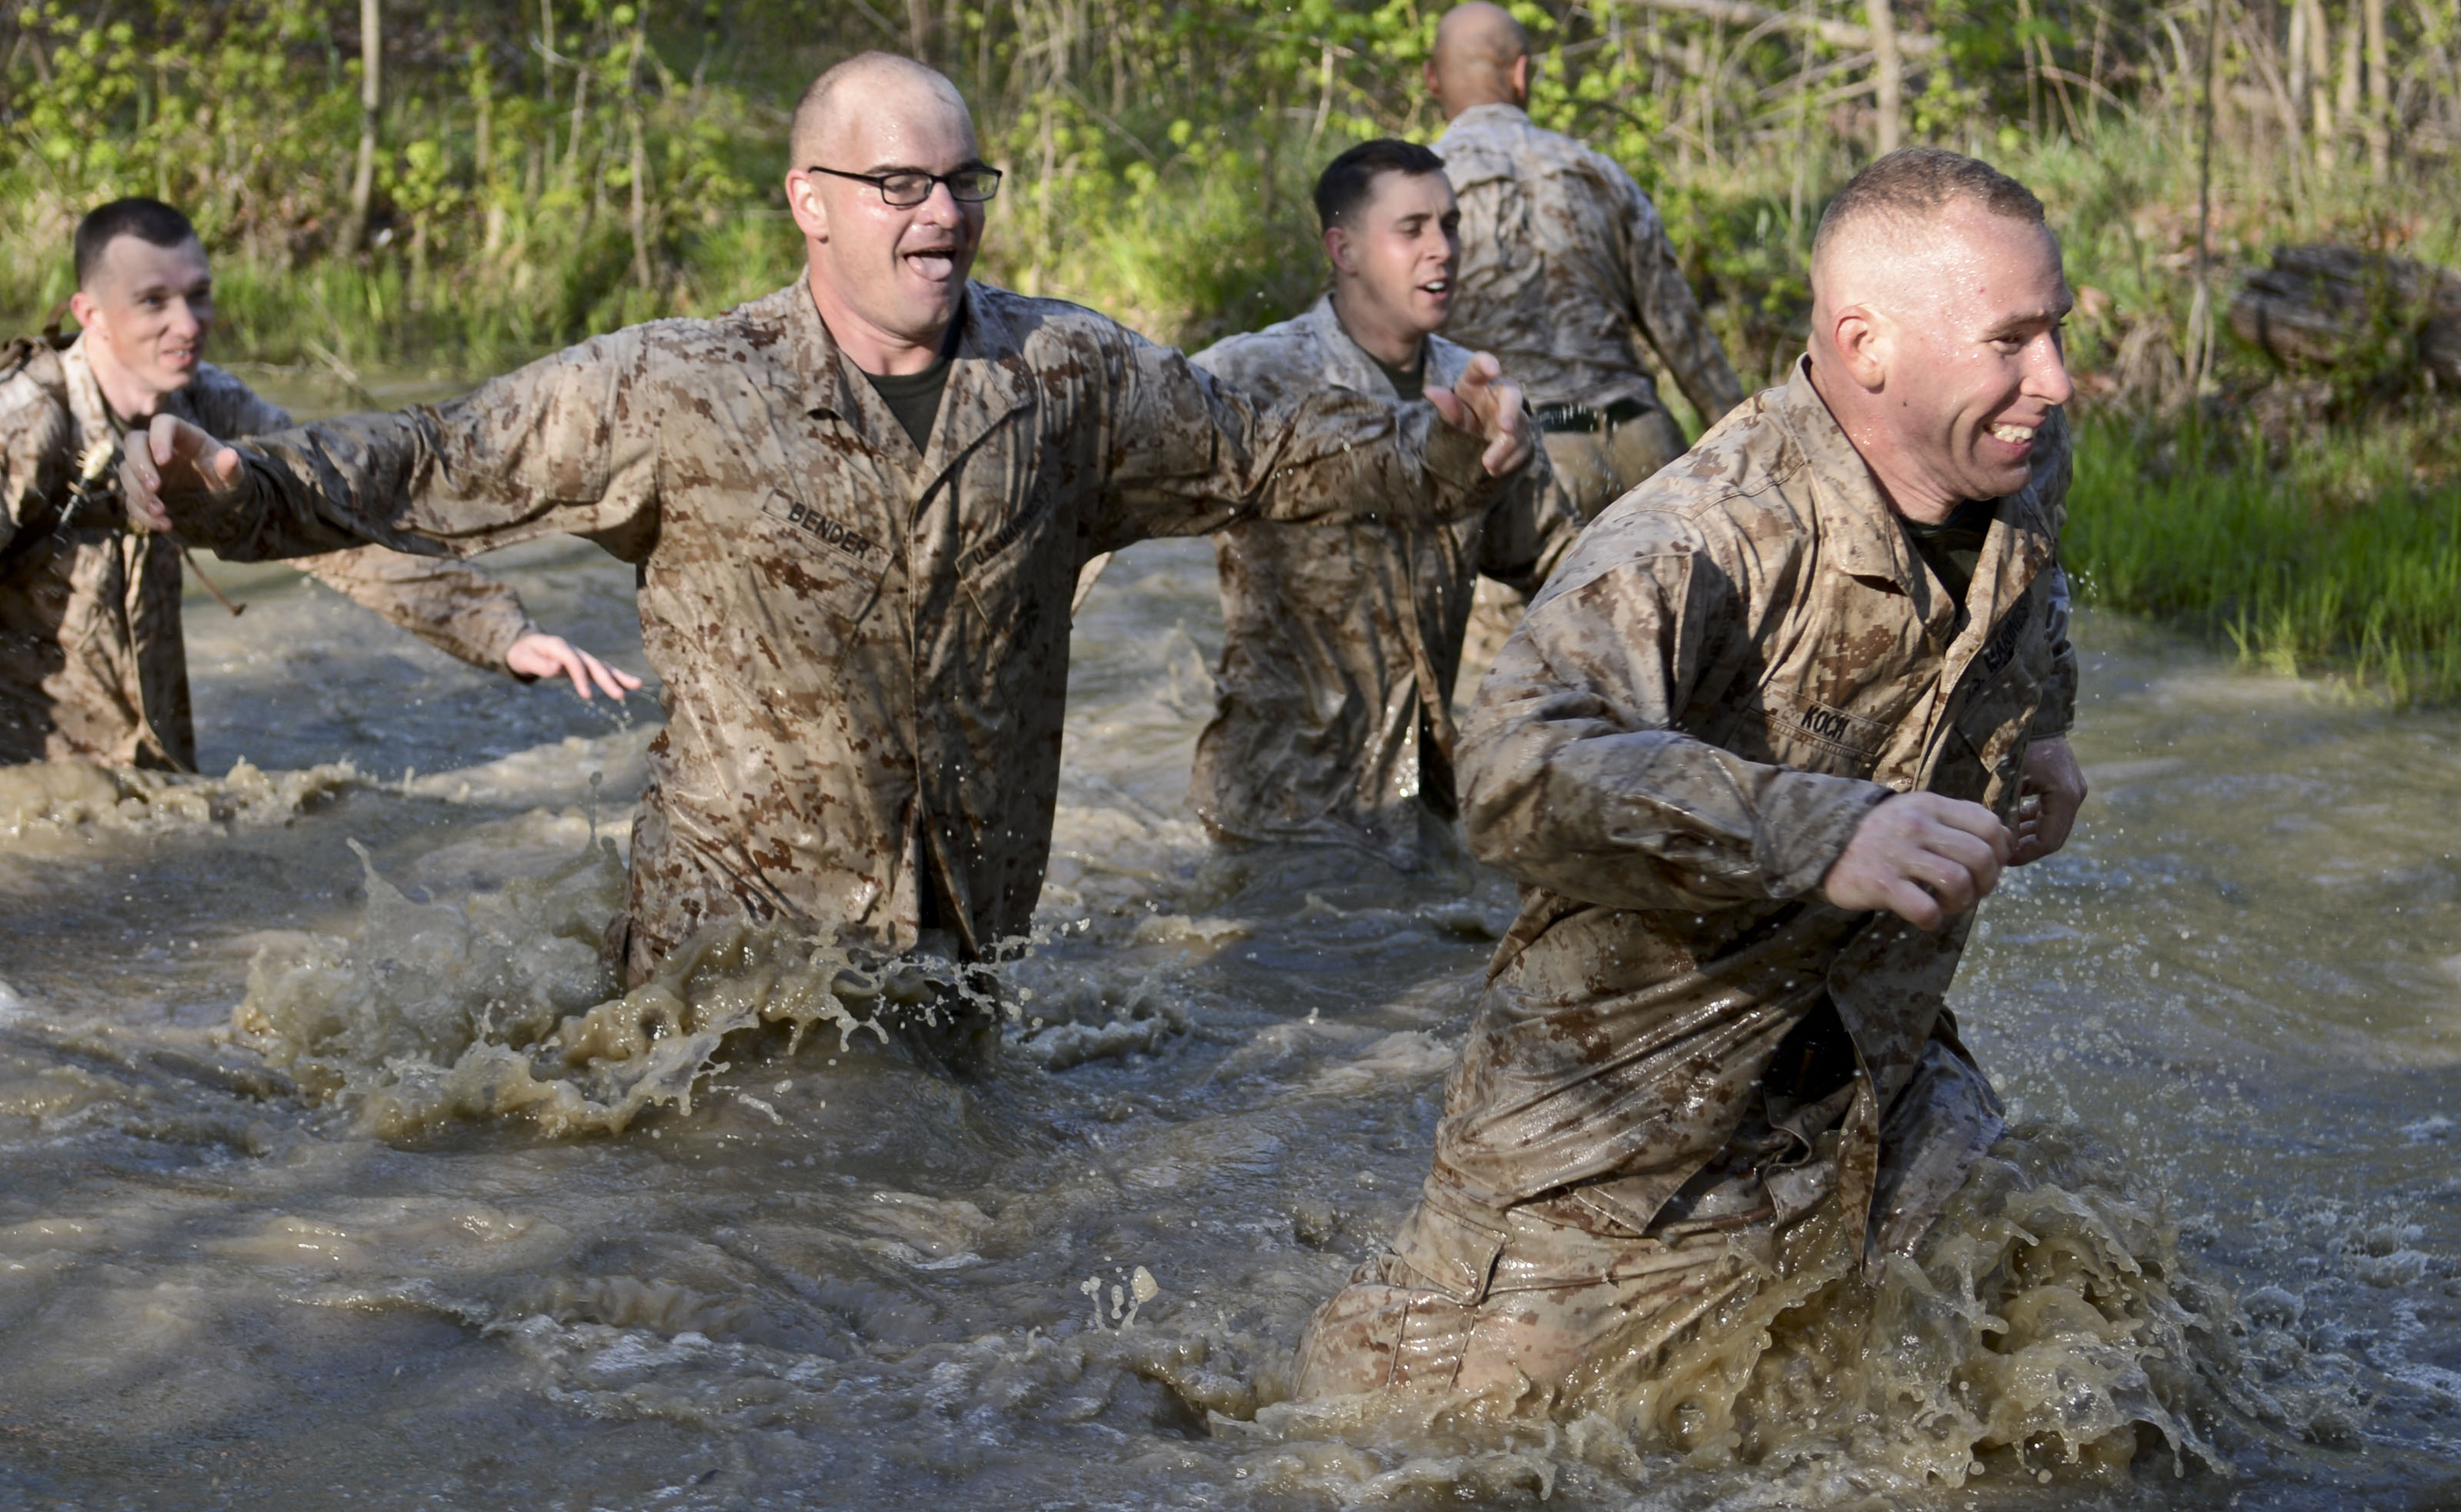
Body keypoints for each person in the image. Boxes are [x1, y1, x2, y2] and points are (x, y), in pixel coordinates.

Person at [120, 54, 1533, 1061]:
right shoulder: (683, 387)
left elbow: (1264, 452)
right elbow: (441, 458)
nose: (943, 215)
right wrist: (242, 497)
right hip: (734, 967)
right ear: (811, 201)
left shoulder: (1065, 376)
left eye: (962, 180)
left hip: (963, 945)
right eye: (899, 183)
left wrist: (1442, 457)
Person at [1294, 148, 2091, 1399]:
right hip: (1619, 1149)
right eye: (2012, 340)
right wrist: (1825, 827)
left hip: (1870, 1088)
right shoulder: (1704, 530)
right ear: (1867, 344)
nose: (2053, 378)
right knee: (1410, 1463)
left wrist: (2039, 722)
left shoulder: (2019, 452)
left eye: (2057, 331)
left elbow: (2022, 594)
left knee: (2088, 1367)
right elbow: (1510, 759)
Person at [0, 199, 634, 771]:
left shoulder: (213, 408)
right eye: (153, 302)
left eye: (199, 295)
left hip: (146, 764)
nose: (188, 323)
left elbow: (340, 529)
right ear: (91, 313)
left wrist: (503, 634)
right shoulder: (28, 419)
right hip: (24, 769)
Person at [1185, 140, 1571, 873]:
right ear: (1345, 249)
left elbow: (1560, 565)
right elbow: (1115, 498)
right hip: (1277, 804)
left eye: (1450, 225)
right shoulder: (1245, 377)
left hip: (1422, 801)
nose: (1443, 250)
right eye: (1413, 228)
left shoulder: (1477, 392)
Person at [1426, 2, 1749, 696]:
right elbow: (1689, 348)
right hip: (1643, 450)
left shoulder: (1412, 193)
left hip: (1526, 470)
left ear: (1431, 81)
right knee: (1676, 693)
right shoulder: (1602, 174)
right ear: (1522, 74)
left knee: (1520, 716)